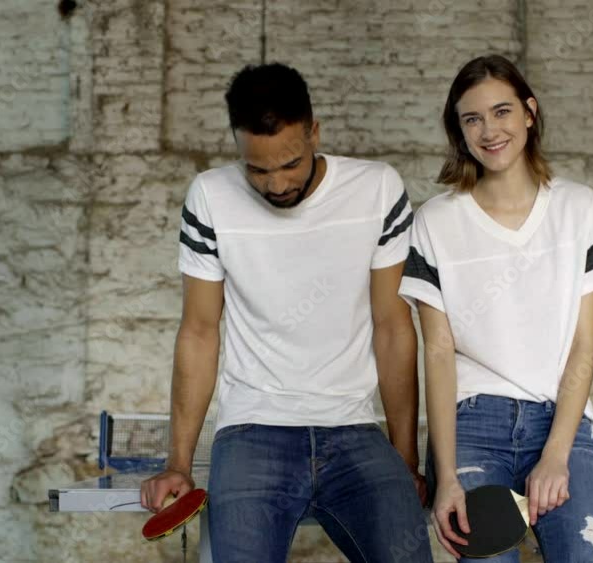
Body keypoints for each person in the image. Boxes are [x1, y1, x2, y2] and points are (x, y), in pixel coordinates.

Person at [140, 62, 433, 563]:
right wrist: (179, 462)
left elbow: (393, 327)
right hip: (252, 430)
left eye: (290, 164)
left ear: (314, 132)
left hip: (355, 433)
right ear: (237, 145)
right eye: (257, 169)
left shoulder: (378, 190)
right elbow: (199, 331)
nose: (276, 185)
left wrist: (404, 457)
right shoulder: (210, 198)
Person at [399, 54, 593, 562]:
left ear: (529, 113)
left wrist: (558, 454)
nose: (489, 130)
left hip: (561, 422)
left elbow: (583, 345)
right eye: (472, 119)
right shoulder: (434, 221)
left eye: (501, 112)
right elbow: (437, 352)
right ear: (459, 132)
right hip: (472, 425)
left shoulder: (581, 210)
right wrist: (447, 476)